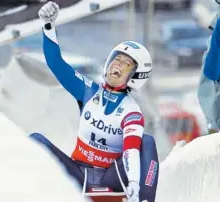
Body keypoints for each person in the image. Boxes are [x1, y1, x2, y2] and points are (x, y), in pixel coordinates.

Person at [30, 2, 159, 202]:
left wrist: (133, 182)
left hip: (112, 178)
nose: (118, 64)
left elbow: (131, 149)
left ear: (136, 76)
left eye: (126, 64)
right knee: (35, 140)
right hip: (79, 173)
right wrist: (48, 26)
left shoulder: (131, 111)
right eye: (117, 59)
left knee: (147, 141)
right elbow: (56, 64)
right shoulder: (88, 90)